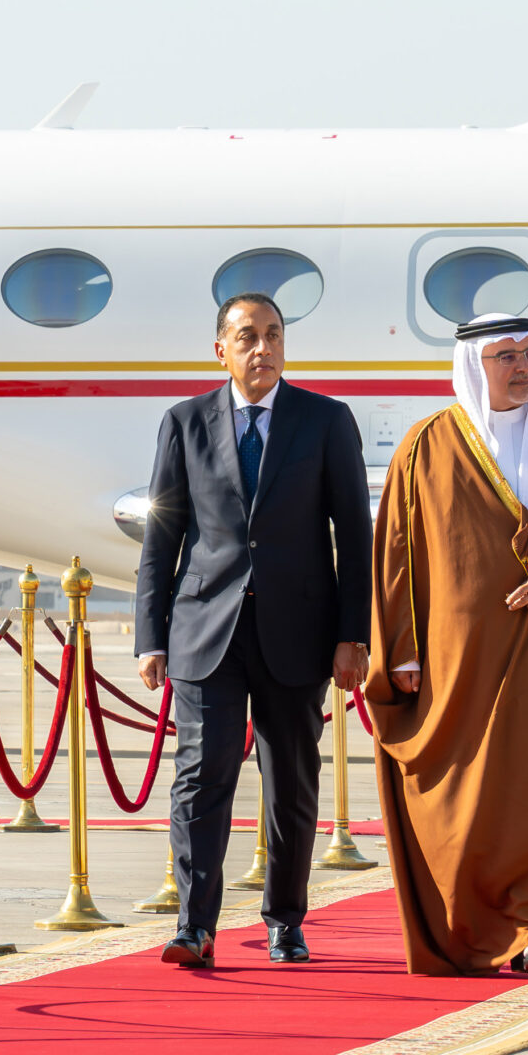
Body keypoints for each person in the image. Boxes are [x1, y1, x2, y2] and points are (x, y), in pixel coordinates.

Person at [365, 314, 528, 976]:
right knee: (471, 800)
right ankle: (476, 930)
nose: (523, 367)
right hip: (462, 665)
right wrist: (402, 653)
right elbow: (397, 555)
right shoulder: (425, 447)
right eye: (505, 356)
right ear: (473, 364)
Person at [135, 292, 371, 969]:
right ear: (221, 350)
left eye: (273, 335)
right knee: (200, 774)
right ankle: (194, 926)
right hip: (205, 628)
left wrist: (353, 634)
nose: (263, 348)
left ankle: (285, 922)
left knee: (289, 779)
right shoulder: (184, 423)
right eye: (247, 337)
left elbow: (354, 535)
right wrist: (151, 636)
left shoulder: (326, 421)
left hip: (298, 631)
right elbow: (162, 537)